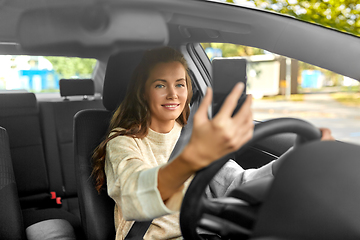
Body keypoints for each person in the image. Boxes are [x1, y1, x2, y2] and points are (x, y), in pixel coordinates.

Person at [92, 47, 334, 240]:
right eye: (160, 85)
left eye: (180, 84)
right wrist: (192, 158)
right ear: (143, 92)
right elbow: (135, 196)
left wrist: (296, 158)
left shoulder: (189, 134)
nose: (173, 94)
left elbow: (236, 183)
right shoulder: (123, 142)